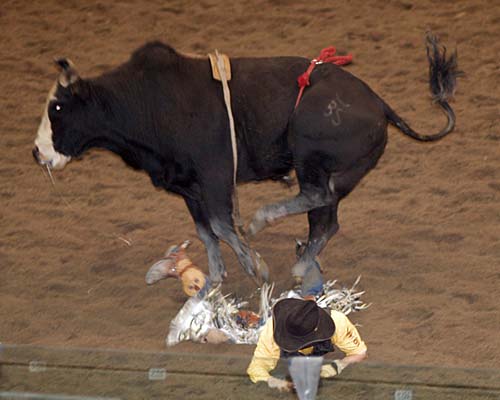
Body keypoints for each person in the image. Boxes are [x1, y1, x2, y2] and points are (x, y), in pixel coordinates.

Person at [247, 297, 367, 392]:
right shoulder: (274, 328)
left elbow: (359, 353)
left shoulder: (338, 321)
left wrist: (338, 366)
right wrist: (274, 382)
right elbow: (257, 366)